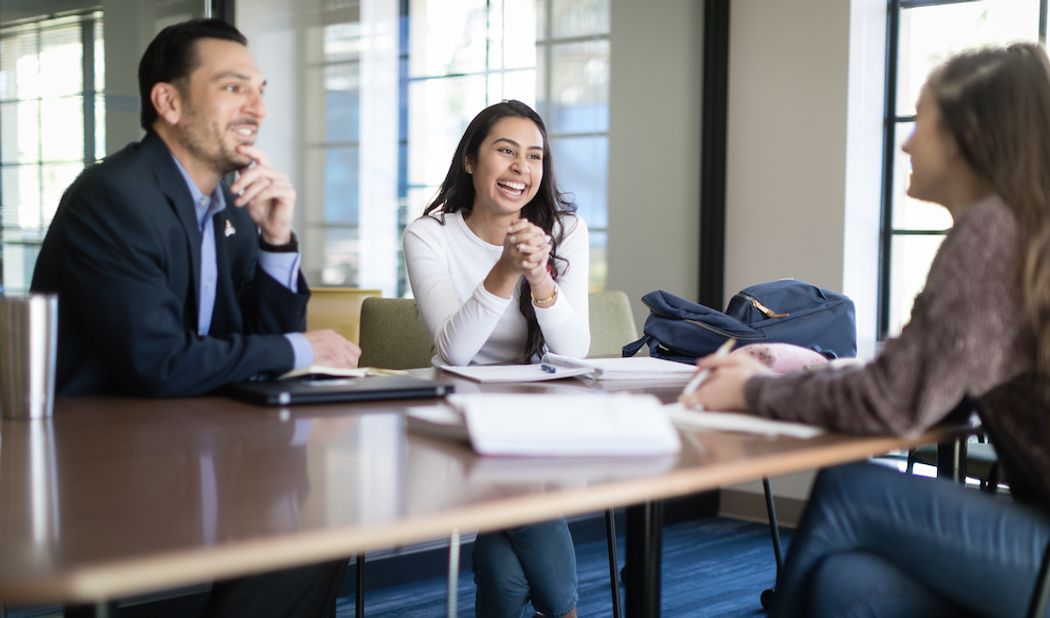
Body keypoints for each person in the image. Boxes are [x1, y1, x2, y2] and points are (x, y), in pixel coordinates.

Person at [685, 43, 1050, 617]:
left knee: (848, 486)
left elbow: (893, 401)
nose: (905, 141)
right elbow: (931, 389)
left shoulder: (990, 236)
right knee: (845, 584)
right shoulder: (1023, 233)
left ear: (965, 137)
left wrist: (750, 390)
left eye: (920, 123)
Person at [31, 18, 358, 617]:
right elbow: (158, 361)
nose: (257, 106)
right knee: (300, 542)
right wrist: (303, 350)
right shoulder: (114, 196)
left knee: (316, 531)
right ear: (169, 101)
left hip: (196, 438)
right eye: (234, 87)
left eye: (260, 89)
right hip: (109, 458)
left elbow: (259, 341)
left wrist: (277, 239)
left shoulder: (227, 202)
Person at [404, 100, 589, 617]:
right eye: (505, 151)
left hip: (543, 412)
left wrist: (540, 276)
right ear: (470, 159)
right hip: (460, 416)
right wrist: (506, 271)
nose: (521, 169)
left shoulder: (566, 230)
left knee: (506, 572)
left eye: (534, 157)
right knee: (523, 497)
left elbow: (573, 349)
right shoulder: (429, 235)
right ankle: (566, 611)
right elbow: (453, 351)